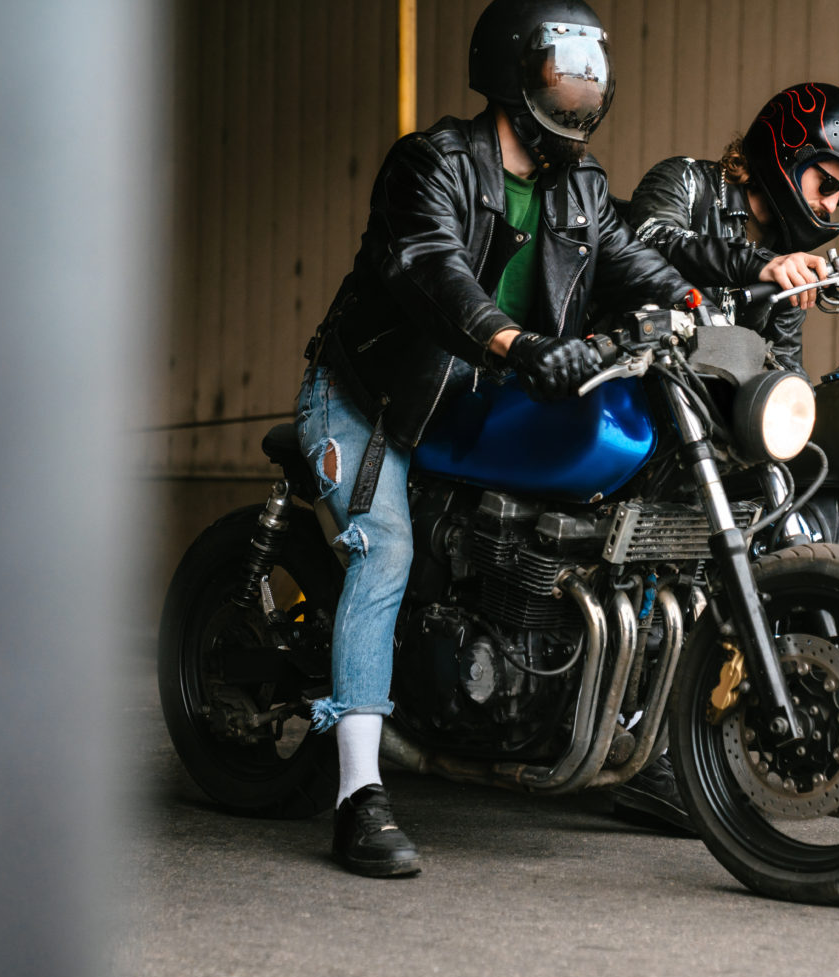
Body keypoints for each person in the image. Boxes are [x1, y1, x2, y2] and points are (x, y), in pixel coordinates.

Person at [297, 0, 697, 878]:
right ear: (515, 74)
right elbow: (430, 268)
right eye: (564, 73)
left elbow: (632, 263)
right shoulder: (430, 164)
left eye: (588, 73)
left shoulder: (583, 187)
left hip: (484, 398)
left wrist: (698, 308)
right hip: (375, 396)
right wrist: (519, 344)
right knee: (386, 550)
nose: (580, 92)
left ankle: (630, 742)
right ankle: (358, 794)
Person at [626, 82, 839, 375]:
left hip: (708, 412)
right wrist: (762, 264)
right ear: (788, 152)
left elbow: (785, 363)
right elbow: (654, 240)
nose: (832, 205)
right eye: (828, 185)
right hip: (638, 386)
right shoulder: (687, 181)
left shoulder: (787, 257)